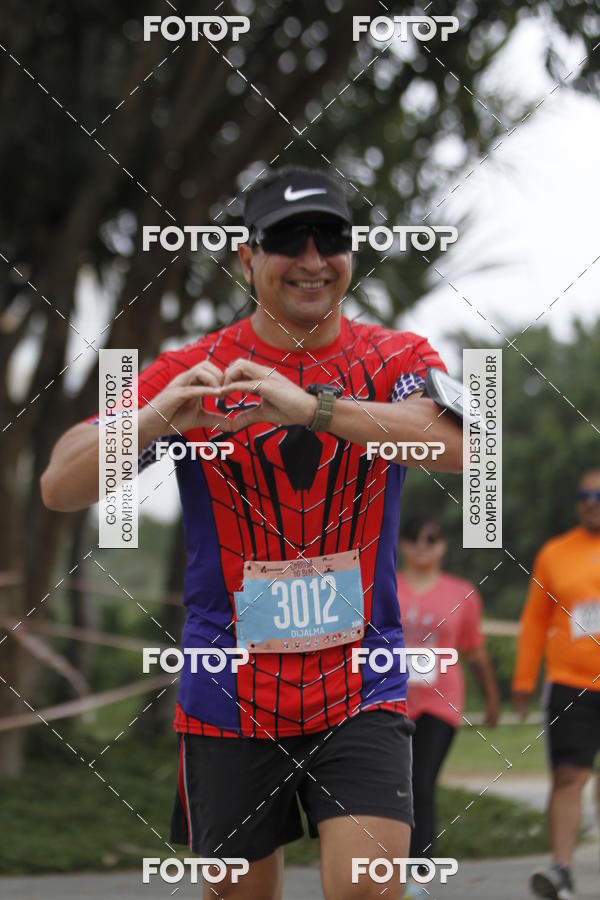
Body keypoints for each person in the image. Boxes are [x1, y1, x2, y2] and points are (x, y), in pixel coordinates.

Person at [40, 164, 463, 900]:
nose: (311, 259)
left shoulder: (397, 357)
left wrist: (313, 409)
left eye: (330, 237)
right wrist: (158, 417)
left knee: (367, 886)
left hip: (360, 686)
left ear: (352, 252)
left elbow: (465, 446)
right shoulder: (192, 368)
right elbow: (59, 483)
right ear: (246, 257)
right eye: (285, 240)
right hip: (228, 693)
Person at [396, 514, 500, 899]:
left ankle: (417, 877)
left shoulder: (463, 593)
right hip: (391, 701)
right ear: (401, 543)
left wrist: (492, 698)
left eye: (432, 538)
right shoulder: (384, 586)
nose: (422, 546)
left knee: (420, 783)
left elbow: (474, 650)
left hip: (439, 703)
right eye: (413, 537)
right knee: (393, 785)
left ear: (443, 545)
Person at [512, 469, 600, 900]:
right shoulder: (555, 552)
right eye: (583, 494)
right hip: (571, 683)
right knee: (568, 775)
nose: (591, 501)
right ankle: (561, 868)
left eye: (598, 494)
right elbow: (534, 619)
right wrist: (524, 679)